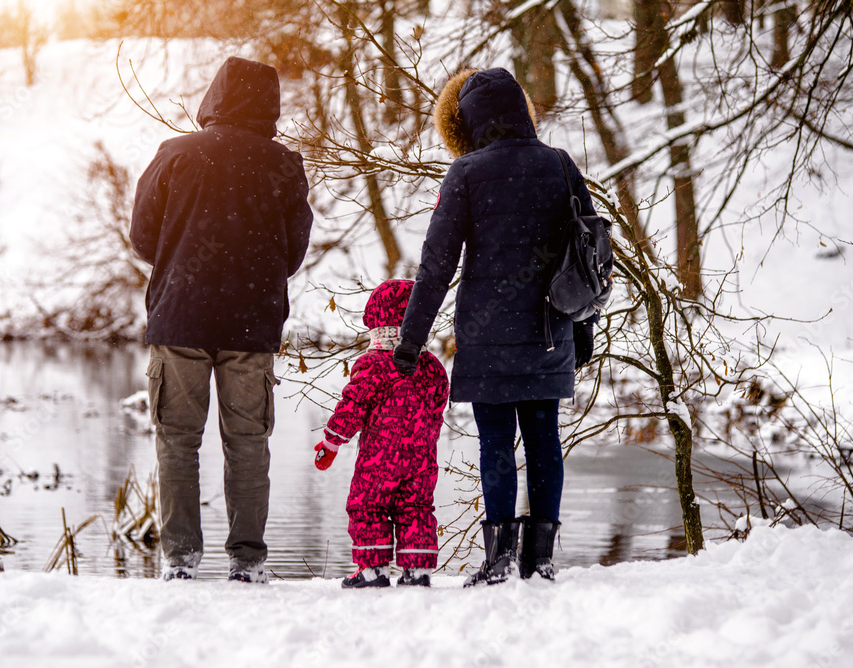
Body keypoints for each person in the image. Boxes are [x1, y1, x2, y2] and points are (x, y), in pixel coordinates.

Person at [393, 68, 598, 586]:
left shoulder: (465, 173)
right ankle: (542, 559)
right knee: (544, 440)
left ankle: (500, 558)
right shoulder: (558, 164)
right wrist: (583, 327)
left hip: (486, 337)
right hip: (549, 329)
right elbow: (587, 253)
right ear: (521, 109)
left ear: (468, 122)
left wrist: (411, 341)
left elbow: (436, 265)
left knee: (495, 443)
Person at [129, 56, 313, 583]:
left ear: (214, 97)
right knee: (249, 443)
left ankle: (180, 561)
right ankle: (248, 562)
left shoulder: (176, 153)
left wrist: (182, 259)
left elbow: (143, 236)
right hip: (251, 323)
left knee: (176, 440)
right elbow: (293, 250)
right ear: (270, 105)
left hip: (180, 318)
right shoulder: (284, 165)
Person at [313, 280, 450, 588]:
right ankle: (418, 570)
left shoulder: (372, 365)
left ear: (376, 323)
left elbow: (352, 408)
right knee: (416, 508)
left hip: (380, 459)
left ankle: (373, 569)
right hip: (422, 458)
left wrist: (331, 442)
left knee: (367, 506)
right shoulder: (433, 368)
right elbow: (438, 408)